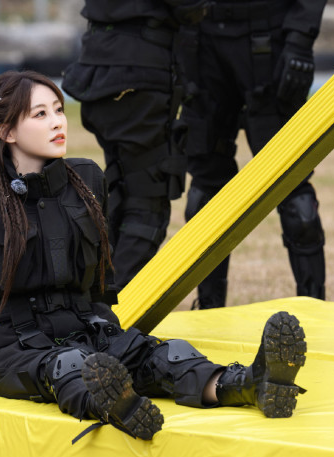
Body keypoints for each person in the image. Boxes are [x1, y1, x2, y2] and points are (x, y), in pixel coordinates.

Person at [0, 70, 308, 441]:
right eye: (41, 114)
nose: (58, 122)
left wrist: (119, 340)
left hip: (91, 330)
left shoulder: (86, 178)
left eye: (59, 110)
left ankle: (251, 385)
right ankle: (116, 405)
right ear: (7, 131)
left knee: (167, 356)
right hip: (14, 346)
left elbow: (100, 278)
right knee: (71, 367)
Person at [177, 0, 328, 309]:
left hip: (268, 38)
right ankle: (208, 313)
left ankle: (315, 311)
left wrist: (300, 39)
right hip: (200, 42)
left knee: (294, 193)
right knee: (204, 195)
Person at [62, 0, 207, 289]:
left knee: (121, 192)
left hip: (99, 65)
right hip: (139, 70)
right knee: (147, 205)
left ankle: (95, 299)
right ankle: (117, 307)